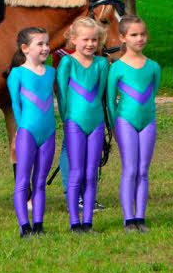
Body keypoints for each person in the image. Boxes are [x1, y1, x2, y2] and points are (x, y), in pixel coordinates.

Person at [106, 15, 161, 233]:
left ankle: (141, 217)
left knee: (143, 170)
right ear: (123, 37)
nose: (140, 38)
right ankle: (129, 219)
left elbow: (152, 93)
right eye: (134, 35)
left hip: (148, 121)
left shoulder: (153, 67)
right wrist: (114, 126)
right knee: (129, 169)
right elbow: (110, 100)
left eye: (143, 34)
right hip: (125, 121)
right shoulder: (117, 68)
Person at [56, 16, 110, 232]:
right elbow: (61, 95)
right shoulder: (67, 62)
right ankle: (74, 222)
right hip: (74, 124)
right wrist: (67, 119)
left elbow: (102, 95)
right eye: (85, 39)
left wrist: (108, 123)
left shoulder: (101, 64)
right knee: (77, 172)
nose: (90, 44)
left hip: (96, 124)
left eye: (94, 40)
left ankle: (88, 222)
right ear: (73, 39)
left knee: (91, 173)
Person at [6, 27, 57, 237]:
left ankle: (38, 224)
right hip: (27, 133)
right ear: (25, 48)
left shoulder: (52, 72)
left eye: (47, 43)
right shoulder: (17, 73)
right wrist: (21, 129)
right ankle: (24, 226)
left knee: (40, 181)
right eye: (40, 44)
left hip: (49, 132)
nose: (45, 48)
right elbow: (16, 106)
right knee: (23, 180)